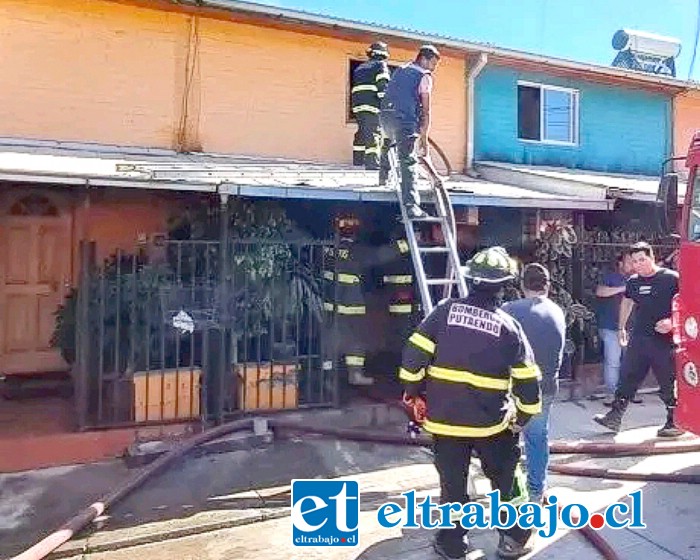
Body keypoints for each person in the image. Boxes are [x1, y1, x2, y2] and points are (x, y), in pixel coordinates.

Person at [399, 246, 542, 559]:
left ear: (471, 280)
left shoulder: (443, 312)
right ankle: (514, 540)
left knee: (452, 483)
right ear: (505, 285)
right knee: (507, 481)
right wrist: (524, 416)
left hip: (445, 421)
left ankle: (452, 544)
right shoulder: (508, 326)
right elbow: (528, 380)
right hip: (492, 423)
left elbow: (413, 356)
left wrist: (413, 391)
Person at [593, 242, 683, 437]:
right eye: (634, 261)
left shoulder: (671, 279)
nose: (639, 264)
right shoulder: (633, 281)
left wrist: (672, 322)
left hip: (664, 340)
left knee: (667, 381)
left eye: (642, 259)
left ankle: (674, 422)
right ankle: (614, 417)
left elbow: (687, 303)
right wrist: (621, 327)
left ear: (651, 258)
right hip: (640, 338)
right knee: (627, 376)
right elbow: (627, 301)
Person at [501, 263, 565, 505]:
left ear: (521, 285)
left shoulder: (508, 310)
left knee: (506, 440)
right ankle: (537, 492)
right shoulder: (558, 311)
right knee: (537, 438)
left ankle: (510, 493)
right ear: (547, 286)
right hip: (546, 386)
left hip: (514, 387)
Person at [379, 44, 441, 218]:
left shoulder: (400, 69)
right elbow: (426, 109)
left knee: (388, 142)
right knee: (408, 161)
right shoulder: (424, 76)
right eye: (433, 63)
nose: (434, 68)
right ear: (423, 59)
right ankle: (411, 206)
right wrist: (424, 138)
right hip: (404, 120)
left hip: (385, 117)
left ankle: (383, 178)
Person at [322, 213, 374, 385]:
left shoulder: (326, 247)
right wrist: (404, 246)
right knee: (356, 340)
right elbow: (379, 257)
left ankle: (327, 378)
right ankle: (355, 375)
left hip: (330, 304)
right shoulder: (358, 251)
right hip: (352, 305)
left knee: (329, 340)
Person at [595, 253, 642, 405]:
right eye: (629, 261)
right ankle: (612, 395)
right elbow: (600, 291)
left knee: (632, 362)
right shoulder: (611, 277)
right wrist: (624, 288)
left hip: (632, 328)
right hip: (611, 327)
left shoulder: (638, 279)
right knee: (613, 362)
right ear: (620, 263)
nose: (633, 264)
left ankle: (629, 393)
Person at [351, 42, 391, 169]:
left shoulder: (360, 68)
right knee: (374, 132)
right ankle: (372, 163)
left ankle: (358, 161)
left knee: (362, 132)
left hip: (358, 106)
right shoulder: (381, 65)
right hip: (372, 105)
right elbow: (382, 86)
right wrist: (386, 106)